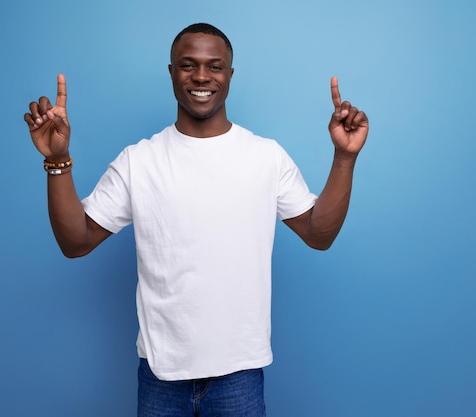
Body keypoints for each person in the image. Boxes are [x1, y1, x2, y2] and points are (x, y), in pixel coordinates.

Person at [24, 23, 368, 417]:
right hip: (160, 373)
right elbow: (76, 241)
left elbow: (318, 234)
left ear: (230, 75)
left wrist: (345, 158)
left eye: (214, 66)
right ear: (171, 73)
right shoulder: (140, 161)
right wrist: (56, 162)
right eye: (188, 65)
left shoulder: (266, 157)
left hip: (240, 372)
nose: (202, 76)